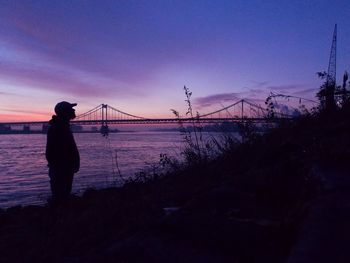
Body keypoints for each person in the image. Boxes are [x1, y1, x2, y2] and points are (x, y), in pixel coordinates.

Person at [46, 101, 80, 204]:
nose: (73, 110)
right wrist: (61, 166)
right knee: (60, 196)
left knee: (63, 195)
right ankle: (60, 217)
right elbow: (50, 151)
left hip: (66, 167)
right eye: (71, 108)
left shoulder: (63, 126)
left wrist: (74, 163)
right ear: (64, 112)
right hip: (62, 169)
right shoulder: (58, 128)